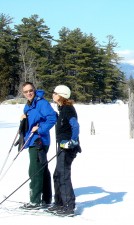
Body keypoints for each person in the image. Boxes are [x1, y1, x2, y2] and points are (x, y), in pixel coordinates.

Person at [19, 82, 57, 209]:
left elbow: (52, 118)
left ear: (34, 90)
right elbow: (30, 123)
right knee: (42, 169)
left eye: (30, 90)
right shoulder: (28, 105)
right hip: (32, 140)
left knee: (35, 170)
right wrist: (24, 120)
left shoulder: (42, 103)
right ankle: (46, 198)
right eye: (26, 92)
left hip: (39, 141)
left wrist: (40, 128)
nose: (29, 93)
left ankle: (35, 201)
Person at [47, 85, 81, 216]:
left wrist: (73, 141)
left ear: (61, 95)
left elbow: (75, 126)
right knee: (57, 174)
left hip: (67, 148)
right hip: (61, 146)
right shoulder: (62, 109)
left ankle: (68, 206)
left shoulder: (68, 109)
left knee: (63, 175)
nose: (53, 94)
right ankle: (59, 202)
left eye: (55, 93)